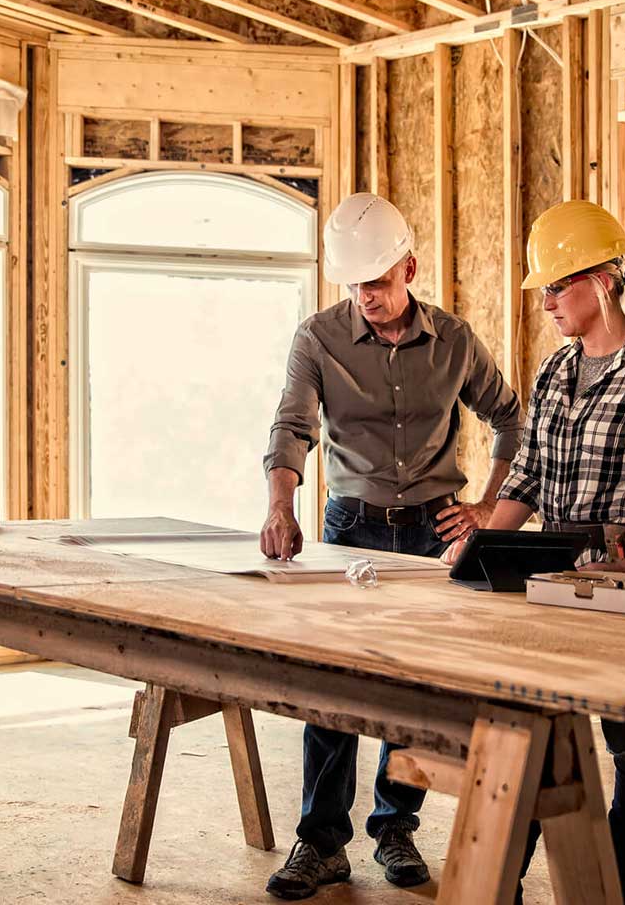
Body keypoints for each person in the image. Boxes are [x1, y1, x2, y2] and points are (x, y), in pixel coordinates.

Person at [446, 199, 625, 904]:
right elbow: (530, 474)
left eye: (556, 286)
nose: (545, 303)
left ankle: (621, 892)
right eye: (542, 289)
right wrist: (484, 545)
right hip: (563, 579)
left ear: (603, 281)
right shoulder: (556, 374)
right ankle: (502, 885)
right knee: (532, 735)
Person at [260, 192, 524, 900]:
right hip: (350, 529)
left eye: (377, 283)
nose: (366, 298)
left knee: (411, 691)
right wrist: (280, 506)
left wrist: (490, 506)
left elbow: (511, 421)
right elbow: (292, 427)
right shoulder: (317, 338)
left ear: (410, 267)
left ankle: (395, 828)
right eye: (354, 286)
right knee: (331, 689)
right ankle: (320, 844)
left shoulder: (457, 342)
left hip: (435, 536)